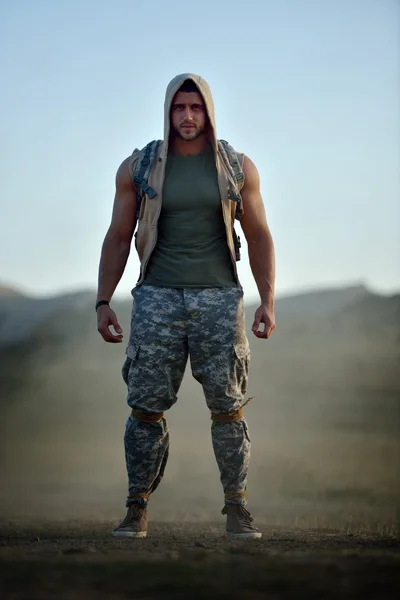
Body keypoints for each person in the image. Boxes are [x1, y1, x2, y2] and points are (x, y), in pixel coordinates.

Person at [96, 73, 276, 539]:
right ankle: (136, 509)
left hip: (220, 297)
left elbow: (258, 235)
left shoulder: (237, 167)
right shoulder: (140, 166)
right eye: (179, 108)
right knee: (144, 408)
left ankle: (237, 509)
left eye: (196, 108)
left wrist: (267, 300)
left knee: (228, 408)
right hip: (156, 297)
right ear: (168, 112)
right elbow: (118, 237)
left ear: (209, 111)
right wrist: (103, 301)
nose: (188, 116)